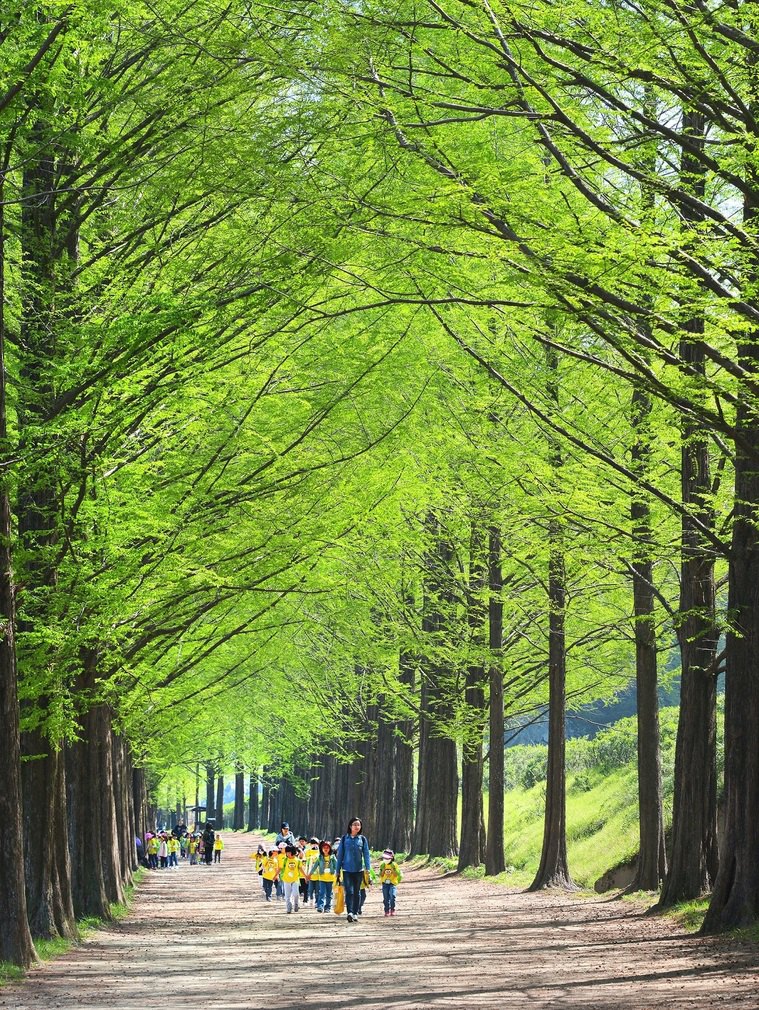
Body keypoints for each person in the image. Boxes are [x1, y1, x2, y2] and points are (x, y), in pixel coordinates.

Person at [335, 816, 371, 923]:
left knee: (357, 892)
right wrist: (337, 870)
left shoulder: (362, 839)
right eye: (354, 824)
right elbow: (340, 854)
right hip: (346, 869)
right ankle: (349, 912)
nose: (357, 826)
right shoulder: (344, 839)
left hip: (359, 870)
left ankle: (355, 913)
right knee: (349, 891)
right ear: (350, 826)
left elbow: (366, 854)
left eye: (358, 825)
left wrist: (368, 868)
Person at [313, 840, 336, 913]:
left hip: (330, 879)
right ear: (322, 849)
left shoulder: (332, 857)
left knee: (329, 894)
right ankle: (320, 906)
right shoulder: (320, 858)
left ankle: (327, 907)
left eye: (327, 847)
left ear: (330, 849)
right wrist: (308, 875)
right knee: (321, 893)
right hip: (322, 878)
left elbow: (337, 866)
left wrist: (339, 875)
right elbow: (314, 867)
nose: (326, 849)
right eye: (324, 848)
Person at [378, 848, 403, 916]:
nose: (386, 860)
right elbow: (380, 875)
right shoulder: (382, 864)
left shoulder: (394, 865)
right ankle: (386, 910)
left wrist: (392, 869)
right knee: (386, 898)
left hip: (392, 883)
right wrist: (383, 869)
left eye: (387, 858)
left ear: (391, 858)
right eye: (384, 858)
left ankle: (392, 909)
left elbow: (396, 874)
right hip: (385, 883)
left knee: (392, 896)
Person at [281, 844, 304, 913]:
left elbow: (301, 869)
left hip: (295, 879)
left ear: (293, 852)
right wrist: (277, 876)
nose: (287, 854)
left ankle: (296, 904)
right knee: (287, 895)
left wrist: (306, 876)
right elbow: (281, 869)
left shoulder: (298, 860)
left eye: (289, 852)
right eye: (286, 852)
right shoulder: (285, 860)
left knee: (296, 893)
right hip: (286, 880)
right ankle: (289, 908)